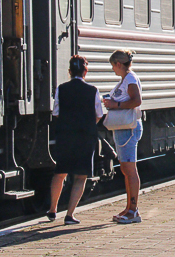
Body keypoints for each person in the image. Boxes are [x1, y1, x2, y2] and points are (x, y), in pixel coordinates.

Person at [47, 55, 103, 225]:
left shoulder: (61, 89)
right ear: (85, 71)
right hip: (86, 137)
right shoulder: (93, 90)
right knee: (80, 176)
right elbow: (99, 115)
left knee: (60, 172)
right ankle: (69, 215)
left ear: (70, 71)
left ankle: (52, 209)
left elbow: (56, 113)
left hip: (65, 136)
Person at [103, 49, 143, 224]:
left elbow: (137, 100)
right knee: (126, 170)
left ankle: (133, 210)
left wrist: (115, 104)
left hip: (128, 129)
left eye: (113, 66)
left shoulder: (130, 79)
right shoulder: (126, 79)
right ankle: (129, 208)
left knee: (130, 170)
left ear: (118, 64)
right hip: (123, 129)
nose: (113, 70)